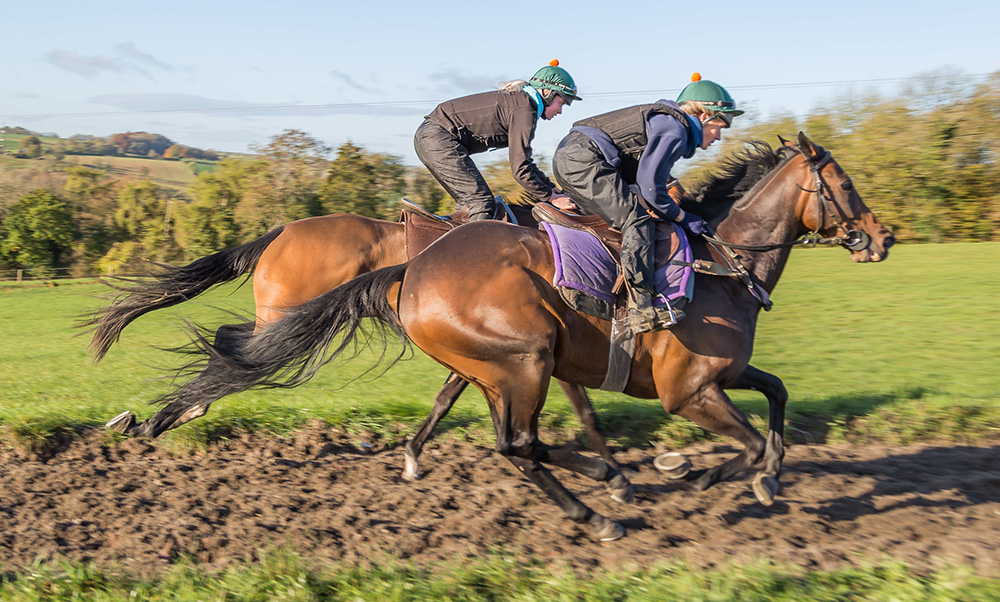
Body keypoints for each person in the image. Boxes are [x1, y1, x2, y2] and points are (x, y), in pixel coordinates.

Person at [551, 73, 743, 333]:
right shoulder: (674, 129)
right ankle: (641, 307)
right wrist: (682, 217)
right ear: (702, 116)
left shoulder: (669, 125)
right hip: (583, 160)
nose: (718, 137)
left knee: (632, 215)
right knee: (637, 220)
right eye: (719, 127)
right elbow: (652, 188)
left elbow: (647, 183)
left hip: (574, 158)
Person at [414, 60, 580, 221]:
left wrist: (551, 188)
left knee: (468, 205)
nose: (560, 111)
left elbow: (525, 163)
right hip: (437, 138)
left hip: (431, 137)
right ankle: (473, 249)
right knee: (482, 203)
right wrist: (551, 197)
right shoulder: (524, 110)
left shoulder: (521, 104)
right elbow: (520, 168)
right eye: (561, 103)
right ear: (547, 93)